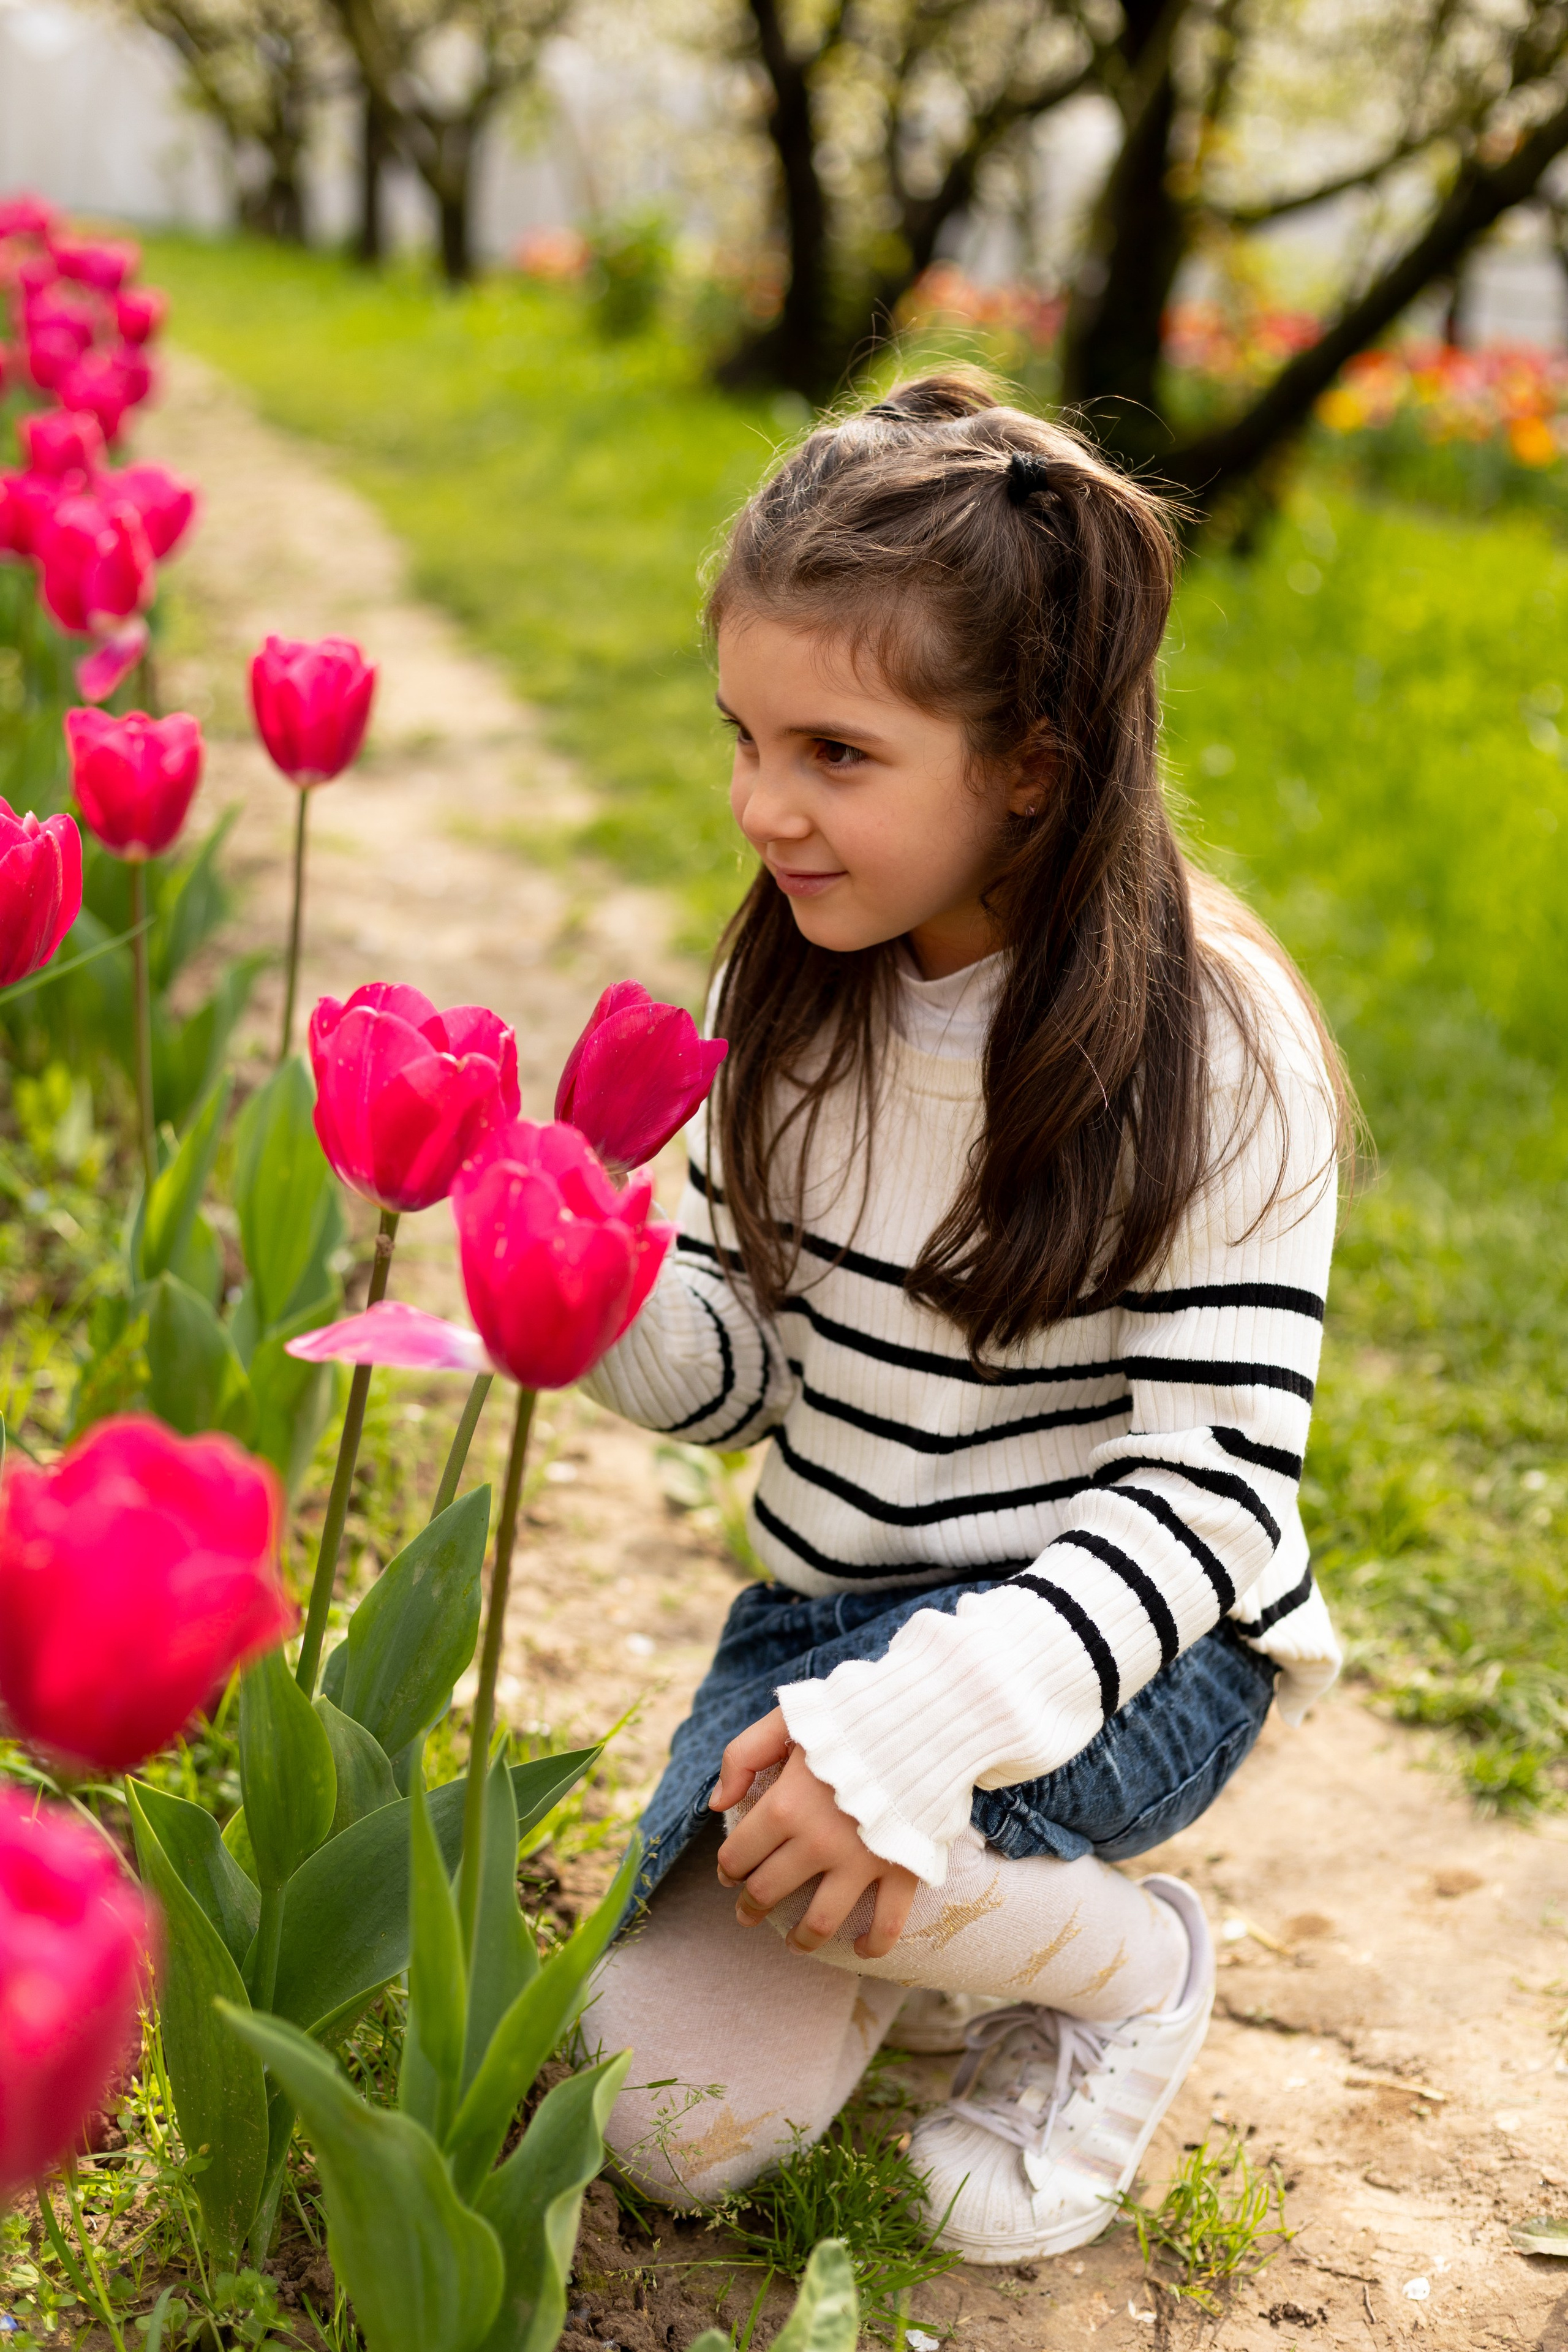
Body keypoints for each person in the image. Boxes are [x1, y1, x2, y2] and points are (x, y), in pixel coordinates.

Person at [581, 371, 1349, 2265]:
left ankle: (1124, 1965)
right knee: (664, 2122)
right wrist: (585, 1288)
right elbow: (759, 1362)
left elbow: (1215, 1493)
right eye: (744, 737)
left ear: (1031, 763)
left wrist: (920, 1733)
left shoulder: (1210, 1044)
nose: (765, 807)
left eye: (837, 753)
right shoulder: (791, 993)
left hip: (1130, 1654)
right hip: (834, 1616)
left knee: (847, 1843)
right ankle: (918, 1906)